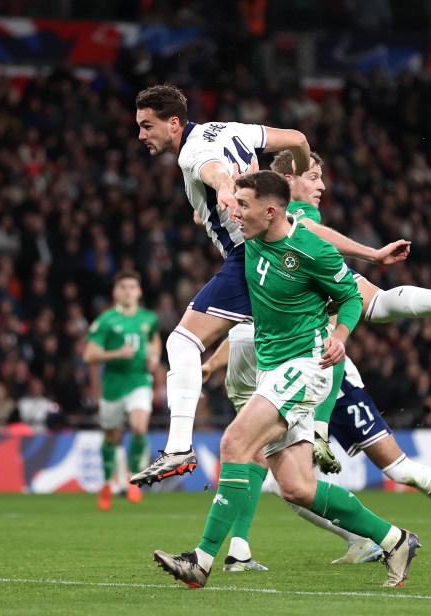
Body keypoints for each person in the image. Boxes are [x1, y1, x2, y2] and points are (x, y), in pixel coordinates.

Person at [152, 171, 419, 589]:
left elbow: (349, 296)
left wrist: (341, 336)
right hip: (271, 369)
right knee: (297, 487)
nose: (234, 212)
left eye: (243, 205)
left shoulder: (311, 249)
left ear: (271, 211)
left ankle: (200, 561)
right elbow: (209, 204)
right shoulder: (250, 234)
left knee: (234, 443)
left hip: (306, 366)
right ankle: (395, 539)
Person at [270, 150, 431, 469]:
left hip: (302, 276)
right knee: (380, 305)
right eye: (314, 178)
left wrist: (371, 254)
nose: (323, 187)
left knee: (330, 340)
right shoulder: (279, 207)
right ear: (288, 180)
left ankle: (318, 433)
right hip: (312, 270)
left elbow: (304, 229)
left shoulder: (295, 212)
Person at [129, 84, 314, 486]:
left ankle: (179, 448)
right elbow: (299, 139)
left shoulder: (194, 152)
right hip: (280, 251)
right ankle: (309, 429)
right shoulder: (233, 129)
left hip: (249, 259)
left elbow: (214, 172)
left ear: (173, 122)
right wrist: (301, 194)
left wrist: (226, 190)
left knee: (181, 343)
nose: (142, 135)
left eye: (147, 126)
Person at [201, 331, 431, 569]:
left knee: (399, 469)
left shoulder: (311, 271)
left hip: (337, 387)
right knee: (289, 485)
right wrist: (213, 364)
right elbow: (244, 331)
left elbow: (331, 353)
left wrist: (321, 427)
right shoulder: (265, 270)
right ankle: (359, 541)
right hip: (291, 385)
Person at [83, 270, 160, 511]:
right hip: (113, 385)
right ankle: (107, 483)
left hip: (138, 381)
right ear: (116, 292)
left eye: (132, 287)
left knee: (139, 427)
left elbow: (154, 340)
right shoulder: (106, 321)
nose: (128, 291)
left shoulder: (148, 318)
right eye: (123, 287)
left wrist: (155, 357)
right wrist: (117, 353)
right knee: (111, 437)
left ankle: (134, 478)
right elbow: (89, 355)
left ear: (139, 291)